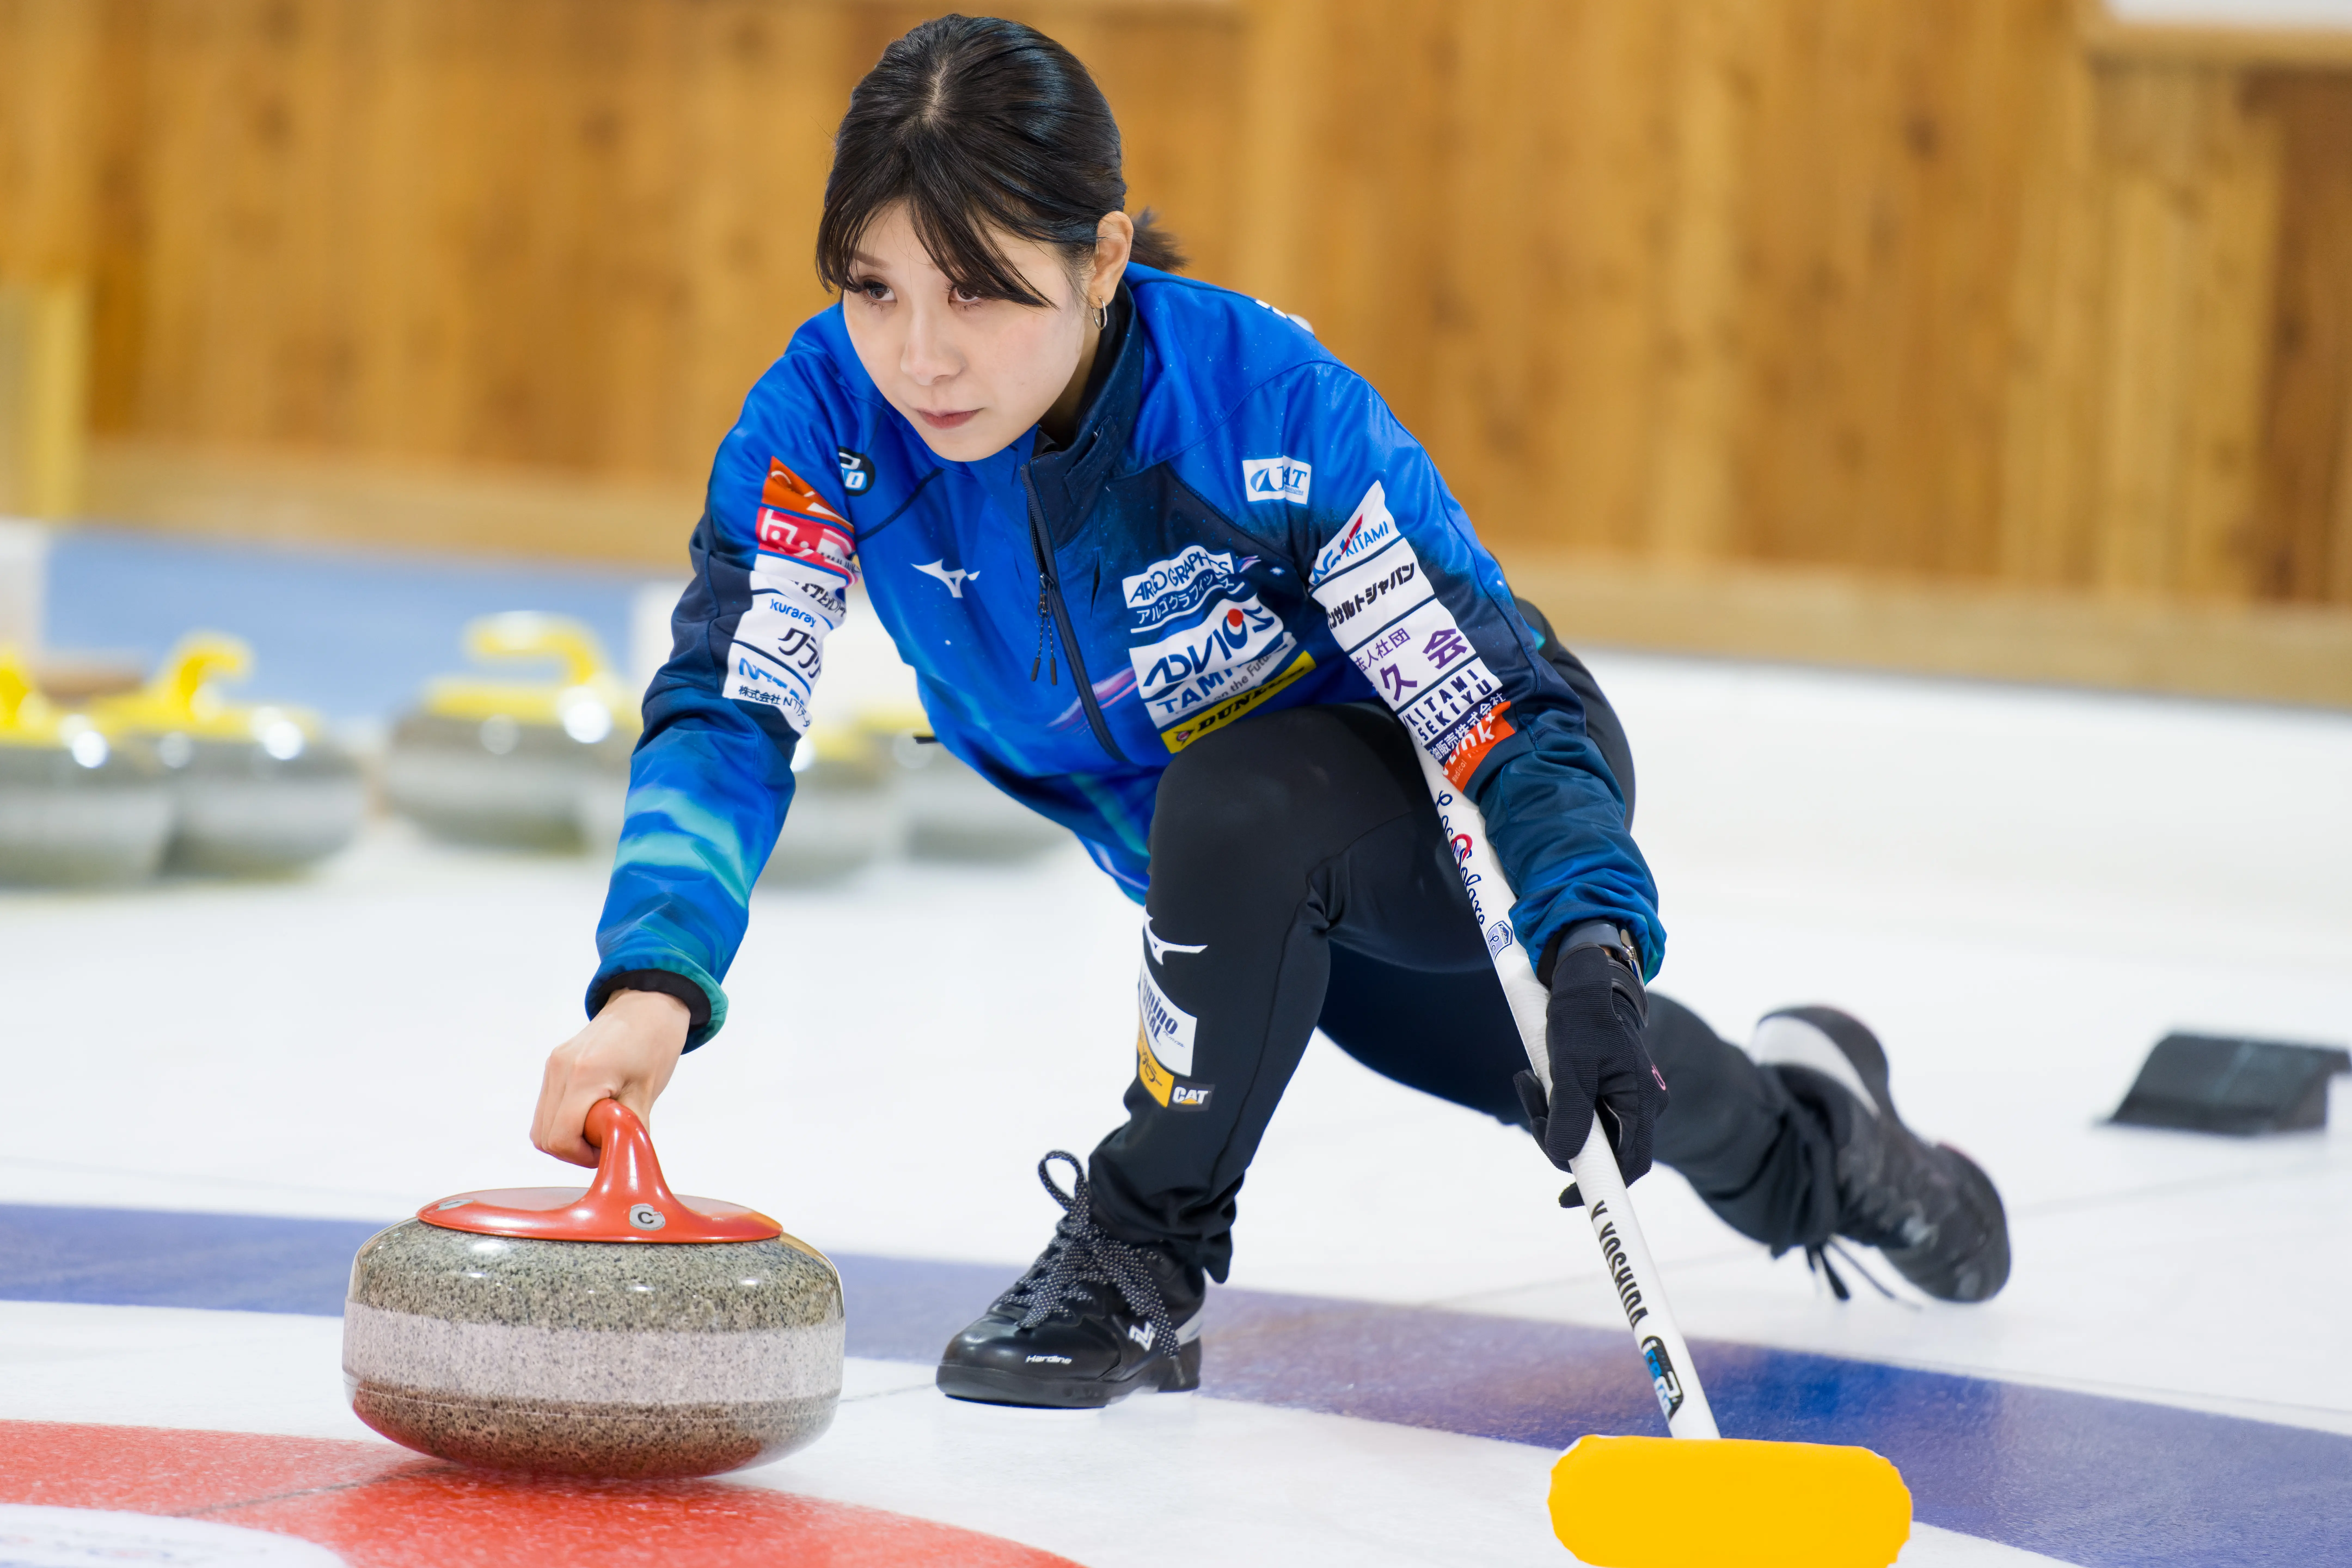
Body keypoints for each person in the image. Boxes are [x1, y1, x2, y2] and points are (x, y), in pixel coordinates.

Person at [531, 15, 2009, 1410]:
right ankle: (1831, 1151)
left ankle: (1139, 1252)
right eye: (875, 288)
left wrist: (1593, 942)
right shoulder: (824, 427)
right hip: (1244, 881)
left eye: (977, 289)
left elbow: (1492, 701)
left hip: (1454, 781)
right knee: (1553, 1076)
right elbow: (733, 706)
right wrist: (653, 981)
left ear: (1104, 257)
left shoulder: (1262, 408)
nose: (920, 353)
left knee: (1333, 865)